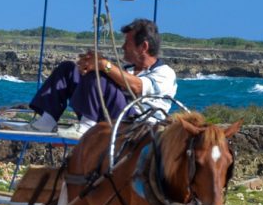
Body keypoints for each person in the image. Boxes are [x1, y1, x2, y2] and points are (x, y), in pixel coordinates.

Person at [27, 17, 177, 138]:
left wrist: (104, 65)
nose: (123, 47)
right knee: (68, 68)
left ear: (143, 47)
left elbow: (137, 86)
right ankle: (48, 120)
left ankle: (86, 127)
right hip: (109, 116)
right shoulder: (128, 70)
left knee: (99, 74)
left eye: (127, 43)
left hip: (137, 124)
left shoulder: (165, 73)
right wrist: (85, 67)